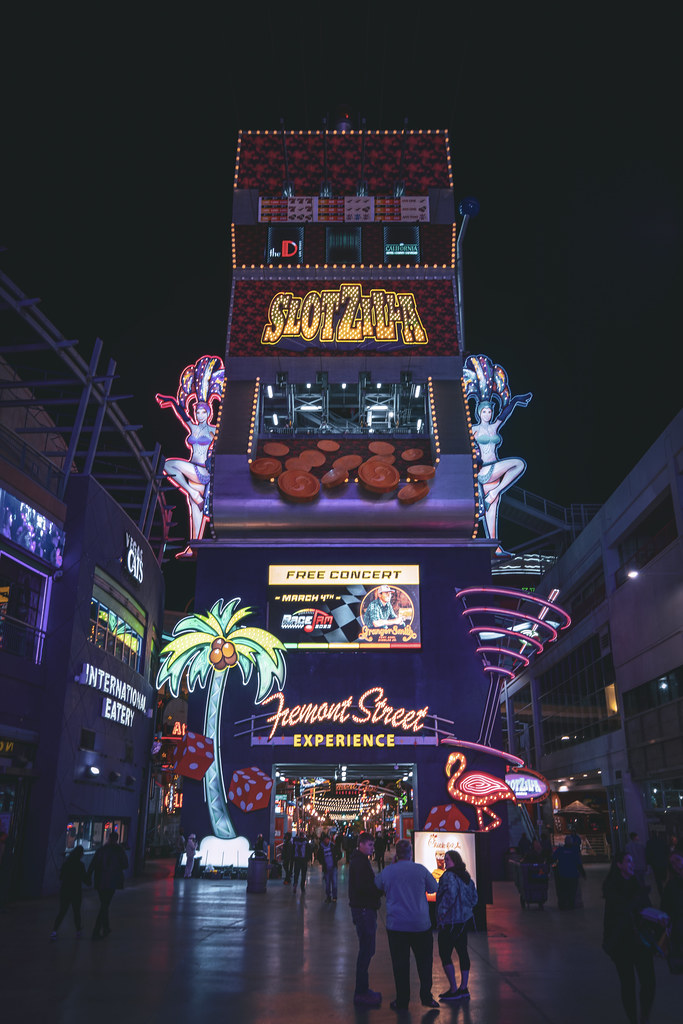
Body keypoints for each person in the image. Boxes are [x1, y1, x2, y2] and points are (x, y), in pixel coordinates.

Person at [155, 355, 223, 558]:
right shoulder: (192, 427)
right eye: (196, 410)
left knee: (169, 465)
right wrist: (170, 402)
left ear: (208, 412)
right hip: (193, 474)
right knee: (195, 514)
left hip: (202, 472)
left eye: (201, 411)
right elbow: (181, 412)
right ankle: (193, 549)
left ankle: (193, 494)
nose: (198, 413)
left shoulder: (213, 429)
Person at [375, 837, 439, 1011]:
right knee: (424, 963)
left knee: (400, 965)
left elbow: (377, 885)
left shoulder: (388, 871)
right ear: (410, 853)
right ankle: (426, 996)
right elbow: (434, 888)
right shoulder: (420, 870)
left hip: (397, 925)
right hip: (420, 924)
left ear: (396, 853)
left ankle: (402, 1000)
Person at [603, 850, 655, 1024]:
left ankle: (644, 1015)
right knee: (628, 984)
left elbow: (646, 908)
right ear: (619, 865)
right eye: (628, 861)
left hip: (639, 940)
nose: (632, 864)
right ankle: (634, 1019)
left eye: (632, 861)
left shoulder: (636, 883)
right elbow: (621, 909)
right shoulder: (612, 887)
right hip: (622, 942)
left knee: (648, 982)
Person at [436, 850, 478, 1001]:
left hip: (450, 922)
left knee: (444, 953)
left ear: (454, 860)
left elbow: (450, 895)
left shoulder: (449, 876)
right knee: (462, 952)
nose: (445, 861)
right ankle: (463, 987)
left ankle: (453, 989)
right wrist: (466, 909)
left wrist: (441, 913)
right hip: (463, 921)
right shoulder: (466, 876)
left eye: (447, 858)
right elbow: (474, 898)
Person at [348, 831, 382, 1007]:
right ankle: (361, 992)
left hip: (363, 908)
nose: (372, 848)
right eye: (370, 845)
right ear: (361, 844)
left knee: (367, 949)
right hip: (363, 910)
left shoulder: (360, 861)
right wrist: (379, 890)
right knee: (366, 950)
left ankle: (363, 989)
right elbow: (363, 887)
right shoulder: (360, 863)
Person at [87, 832, 129, 940]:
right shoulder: (119, 851)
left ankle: (105, 927)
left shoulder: (101, 850)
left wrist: (88, 877)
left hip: (100, 881)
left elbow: (93, 864)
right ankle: (97, 930)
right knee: (105, 905)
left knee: (104, 904)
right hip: (112, 882)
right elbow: (125, 865)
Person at [51, 846, 88, 939]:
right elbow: (85, 879)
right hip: (76, 891)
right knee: (76, 912)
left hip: (65, 890)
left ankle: (54, 931)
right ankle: (78, 931)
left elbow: (61, 877)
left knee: (62, 911)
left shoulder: (66, 864)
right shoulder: (80, 865)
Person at [662, 851, 683, 970]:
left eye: (678, 860)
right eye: (673, 863)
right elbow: (665, 907)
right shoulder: (671, 885)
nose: (676, 864)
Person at [552, 835, 584, 910]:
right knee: (572, 891)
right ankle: (571, 904)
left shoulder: (560, 850)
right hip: (573, 875)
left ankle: (562, 904)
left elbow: (553, 858)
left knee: (562, 890)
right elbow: (578, 863)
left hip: (562, 874)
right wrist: (583, 873)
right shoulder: (574, 851)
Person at [318, 832, 341, 902]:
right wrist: (322, 862)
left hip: (333, 867)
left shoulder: (333, 846)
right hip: (326, 868)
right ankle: (328, 896)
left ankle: (334, 897)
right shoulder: (321, 848)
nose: (326, 841)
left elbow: (340, 854)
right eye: (325, 839)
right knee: (327, 884)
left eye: (327, 839)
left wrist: (336, 860)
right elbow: (318, 856)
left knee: (334, 883)